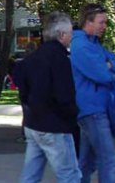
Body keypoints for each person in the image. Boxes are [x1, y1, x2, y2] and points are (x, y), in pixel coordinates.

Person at [19, 12, 82, 183]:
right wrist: (72, 116)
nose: (71, 36)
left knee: (30, 175)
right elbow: (64, 95)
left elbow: (22, 89)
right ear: (62, 35)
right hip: (55, 125)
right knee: (70, 175)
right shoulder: (60, 59)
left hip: (33, 124)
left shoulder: (32, 58)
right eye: (70, 33)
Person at [71, 3, 115, 183]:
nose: (104, 27)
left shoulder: (93, 45)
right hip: (92, 110)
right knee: (108, 159)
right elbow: (102, 75)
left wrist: (110, 66)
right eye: (101, 22)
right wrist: (110, 68)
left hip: (93, 109)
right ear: (88, 22)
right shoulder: (82, 46)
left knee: (87, 163)